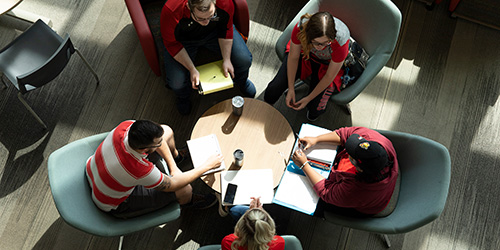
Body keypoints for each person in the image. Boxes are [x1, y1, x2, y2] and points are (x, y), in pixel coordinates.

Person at [85, 120, 223, 219]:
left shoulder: (127, 126)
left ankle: (176, 158)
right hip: (115, 202)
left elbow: (160, 138)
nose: (161, 143)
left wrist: (173, 167)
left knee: (166, 130)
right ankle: (188, 201)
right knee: (184, 189)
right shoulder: (138, 169)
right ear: (145, 149)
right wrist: (207, 165)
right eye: (158, 143)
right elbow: (173, 184)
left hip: (95, 170)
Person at [161, 0, 256, 115]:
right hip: (184, 41)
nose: (206, 22)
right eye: (200, 18)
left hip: (214, 33)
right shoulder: (171, 11)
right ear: (188, 7)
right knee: (176, 82)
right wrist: (191, 69)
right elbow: (172, 44)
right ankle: (183, 96)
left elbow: (225, 28)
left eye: (211, 16)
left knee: (244, 59)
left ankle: (242, 81)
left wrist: (227, 59)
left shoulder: (224, 2)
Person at [292, 126, 399, 217]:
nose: (348, 152)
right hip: (367, 189)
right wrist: (316, 139)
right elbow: (345, 134)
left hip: (365, 206)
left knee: (318, 206)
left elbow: (326, 192)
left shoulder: (358, 190)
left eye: (351, 156)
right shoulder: (378, 141)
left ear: (360, 169)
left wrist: (304, 165)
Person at [264, 12, 350, 121]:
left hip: (327, 65)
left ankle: (311, 112)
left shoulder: (340, 42)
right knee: (273, 90)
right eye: (316, 42)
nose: (320, 47)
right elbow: (293, 57)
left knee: (315, 109)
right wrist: (291, 88)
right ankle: (265, 108)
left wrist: (308, 98)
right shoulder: (301, 28)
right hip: (305, 55)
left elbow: (329, 76)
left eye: (326, 43)